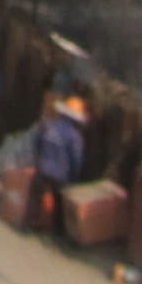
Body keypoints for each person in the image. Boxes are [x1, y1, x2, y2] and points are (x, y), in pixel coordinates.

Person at [31, 97, 87, 237]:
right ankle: (55, 231)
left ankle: (33, 220)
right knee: (60, 201)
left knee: (36, 193)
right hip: (60, 176)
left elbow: (36, 142)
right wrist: (75, 178)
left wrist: (38, 161)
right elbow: (76, 160)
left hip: (42, 169)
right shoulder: (74, 136)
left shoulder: (48, 125)